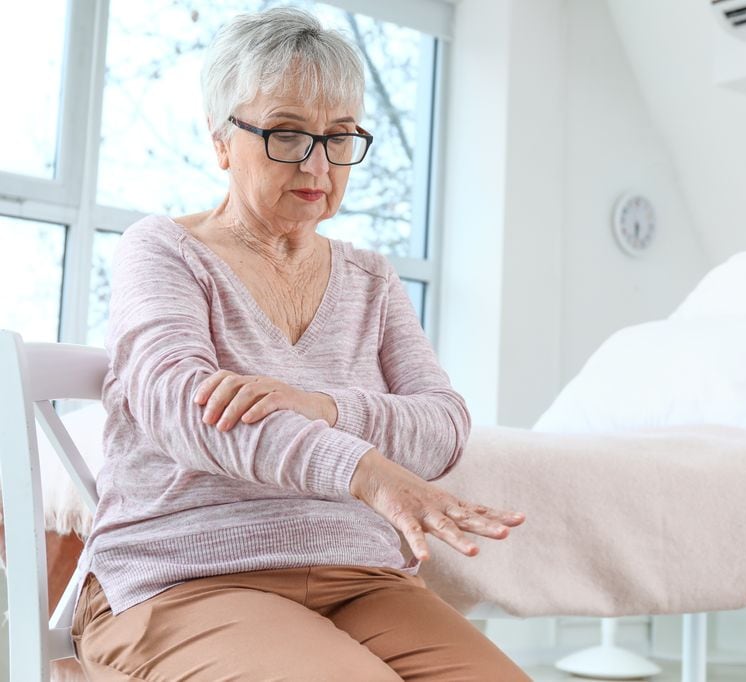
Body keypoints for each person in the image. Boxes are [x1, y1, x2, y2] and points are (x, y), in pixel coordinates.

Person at [70, 7, 529, 680]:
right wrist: (364, 469)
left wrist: (324, 408)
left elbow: (444, 426)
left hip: (363, 577)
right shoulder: (164, 251)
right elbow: (184, 408)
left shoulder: (372, 278)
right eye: (287, 133)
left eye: (339, 136)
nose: (318, 163)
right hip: (187, 576)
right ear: (222, 138)